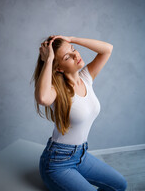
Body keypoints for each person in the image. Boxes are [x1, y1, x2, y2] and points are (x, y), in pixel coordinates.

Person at [31, 35, 127, 191]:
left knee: (120, 185)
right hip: (57, 163)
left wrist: (71, 39)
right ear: (59, 68)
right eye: (68, 56)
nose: (76, 55)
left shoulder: (86, 77)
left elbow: (107, 49)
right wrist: (48, 59)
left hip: (81, 156)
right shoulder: (56, 91)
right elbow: (42, 98)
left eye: (74, 50)